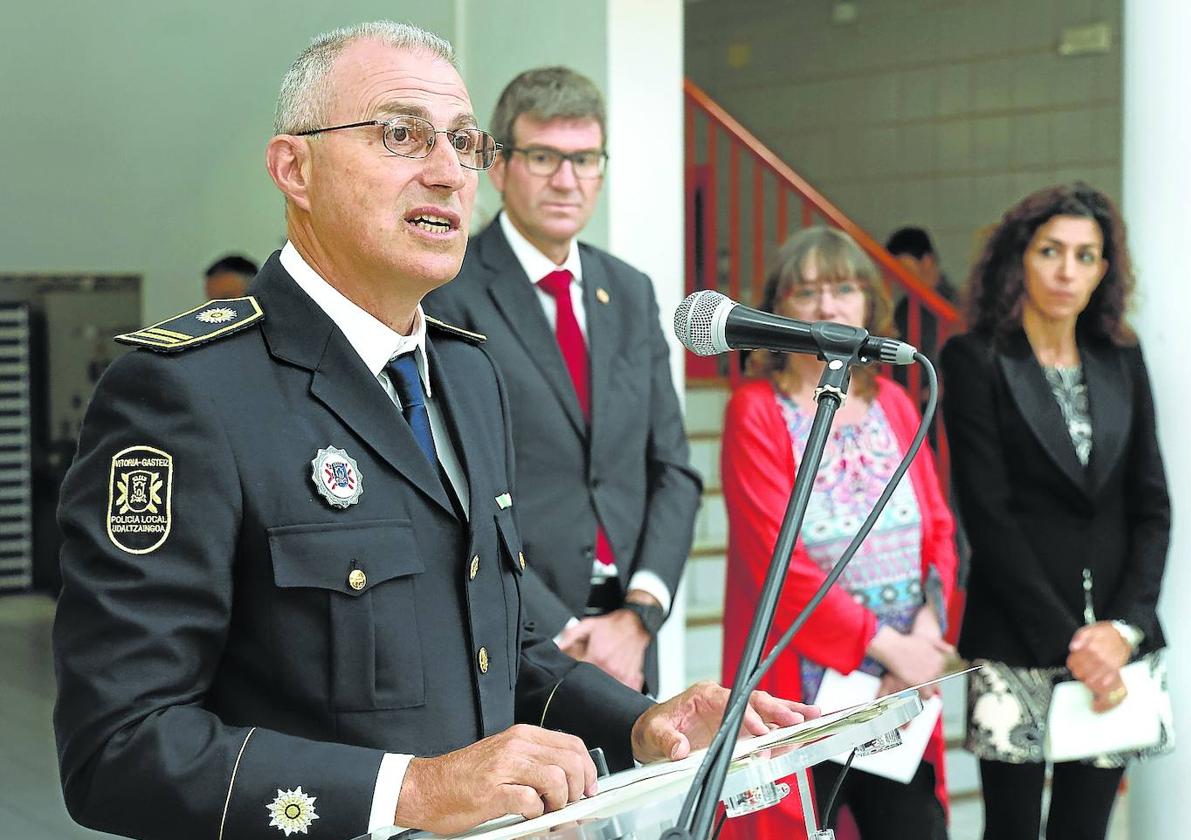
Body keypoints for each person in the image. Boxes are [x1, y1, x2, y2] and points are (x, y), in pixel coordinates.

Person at [52, 22, 815, 840]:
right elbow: (118, 748)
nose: (449, 172)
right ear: (294, 169)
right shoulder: (186, 390)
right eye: (400, 134)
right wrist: (410, 793)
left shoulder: (464, 374)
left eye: (463, 141)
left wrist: (640, 721)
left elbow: (501, 641)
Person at [424, 67, 701, 694]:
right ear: (497, 166)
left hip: (632, 636)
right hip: (521, 635)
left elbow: (673, 471)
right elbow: (455, 486)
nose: (567, 180)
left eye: (585, 159)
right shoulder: (448, 292)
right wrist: (566, 630)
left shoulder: (630, 292)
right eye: (544, 157)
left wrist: (639, 616)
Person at [941, 183, 1173, 839]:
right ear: (1020, 259)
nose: (1067, 270)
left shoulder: (1121, 358)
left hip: (1115, 642)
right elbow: (987, 515)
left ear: (1104, 269)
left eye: (1085, 255)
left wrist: (1122, 630)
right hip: (1017, 636)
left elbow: (1152, 507)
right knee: (1010, 830)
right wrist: (1077, 646)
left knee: (1086, 829)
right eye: (1051, 251)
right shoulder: (974, 358)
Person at [721, 227, 958, 840]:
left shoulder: (897, 405)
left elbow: (937, 527)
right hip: (801, 694)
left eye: (844, 289)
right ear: (778, 313)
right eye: (807, 293)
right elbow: (779, 564)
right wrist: (886, 646)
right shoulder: (755, 411)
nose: (828, 307)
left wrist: (924, 639)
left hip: (897, 688)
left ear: (868, 306)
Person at [886, 226, 957, 397]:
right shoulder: (903, 309)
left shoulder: (955, 307)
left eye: (905, 270)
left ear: (927, 261)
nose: (900, 278)